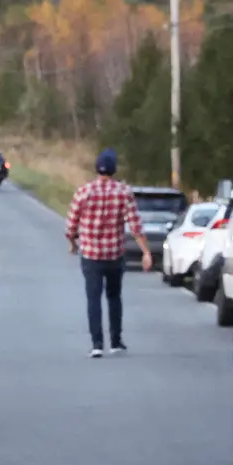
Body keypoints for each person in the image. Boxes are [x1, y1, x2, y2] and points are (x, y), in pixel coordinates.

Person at [65, 148, 151, 358]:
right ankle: (116, 341)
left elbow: (70, 226)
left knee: (93, 298)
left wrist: (73, 245)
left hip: (91, 256)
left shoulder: (83, 192)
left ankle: (96, 344)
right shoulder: (124, 192)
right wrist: (146, 252)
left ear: (96, 169)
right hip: (114, 255)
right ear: (114, 170)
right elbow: (135, 226)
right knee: (114, 297)